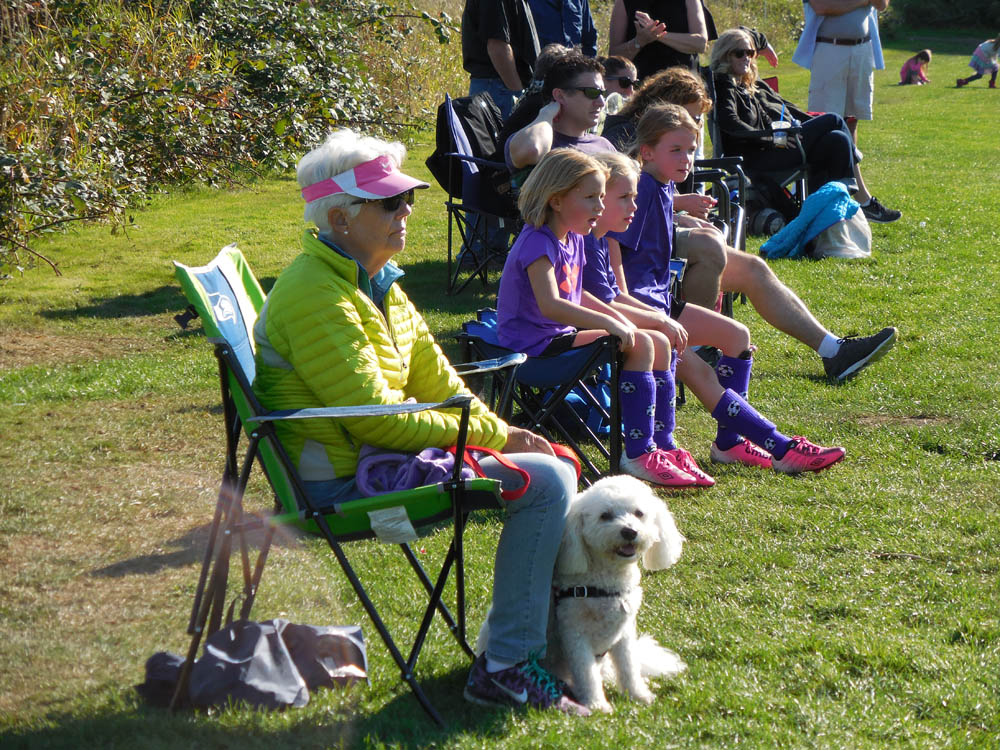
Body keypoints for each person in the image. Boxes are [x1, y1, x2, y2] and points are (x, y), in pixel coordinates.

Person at [253, 129, 587, 715]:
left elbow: (441, 386)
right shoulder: (316, 294)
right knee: (547, 483)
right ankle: (508, 666)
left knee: (551, 466)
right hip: (340, 482)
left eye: (408, 198)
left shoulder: (375, 279)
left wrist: (501, 431)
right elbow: (380, 421)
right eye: (389, 202)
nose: (406, 210)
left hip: (374, 458)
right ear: (337, 217)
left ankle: (529, 653)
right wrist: (498, 434)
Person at [603, 65, 900, 383]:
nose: (696, 131)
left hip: (658, 247)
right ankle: (698, 349)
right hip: (635, 275)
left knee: (754, 269)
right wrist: (676, 210)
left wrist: (676, 212)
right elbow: (614, 219)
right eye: (689, 120)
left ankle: (834, 351)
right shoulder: (628, 141)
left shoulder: (664, 160)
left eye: (699, 121)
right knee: (708, 245)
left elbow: (647, 204)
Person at [603, 105, 846, 473]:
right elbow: (612, 254)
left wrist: (680, 213)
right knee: (701, 373)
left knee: (737, 336)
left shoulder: (661, 188)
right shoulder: (640, 192)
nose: (687, 159)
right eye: (676, 150)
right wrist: (651, 318)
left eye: (691, 149)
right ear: (647, 152)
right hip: (639, 313)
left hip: (663, 304)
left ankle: (730, 443)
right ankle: (779, 447)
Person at [497, 148, 713, 487]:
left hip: (557, 339)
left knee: (655, 340)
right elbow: (552, 304)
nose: (600, 207)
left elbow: (578, 293)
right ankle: (637, 453)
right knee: (641, 343)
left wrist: (615, 317)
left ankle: (661, 444)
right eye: (591, 198)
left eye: (601, 197)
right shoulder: (537, 243)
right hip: (532, 351)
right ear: (556, 201)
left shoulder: (575, 238)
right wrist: (611, 323)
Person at [712, 28, 900, 224]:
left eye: (750, 53)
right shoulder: (724, 85)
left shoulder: (745, 84)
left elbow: (766, 118)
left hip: (772, 149)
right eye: (739, 53)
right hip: (755, 160)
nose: (747, 58)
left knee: (838, 139)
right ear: (725, 56)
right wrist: (771, 138)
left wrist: (779, 132)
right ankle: (863, 201)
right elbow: (730, 123)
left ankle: (835, 208)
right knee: (834, 120)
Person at [506, 51, 617, 179]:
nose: (601, 103)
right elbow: (531, 150)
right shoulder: (531, 140)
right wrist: (546, 114)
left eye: (602, 94)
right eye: (592, 92)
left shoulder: (604, 145)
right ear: (559, 95)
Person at [792, 0, 887, 146]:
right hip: (829, 49)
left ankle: (850, 165)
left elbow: (881, 4)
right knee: (825, 119)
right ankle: (826, 166)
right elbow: (822, 6)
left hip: (862, 50)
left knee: (852, 118)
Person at [461, 0, 540, 120]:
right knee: (504, 137)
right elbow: (497, 46)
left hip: (500, 87)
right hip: (500, 88)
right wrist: (517, 94)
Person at [607, 0, 717, 80]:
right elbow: (614, 57)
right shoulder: (624, 2)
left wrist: (658, 34)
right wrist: (639, 42)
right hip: (640, 88)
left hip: (683, 87)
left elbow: (700, 43)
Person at [528, 0, 598, 58]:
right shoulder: (525, 3)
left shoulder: (578, 1)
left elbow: (589, 39)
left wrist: (588, 69)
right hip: (539, 70)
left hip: (574, 69)